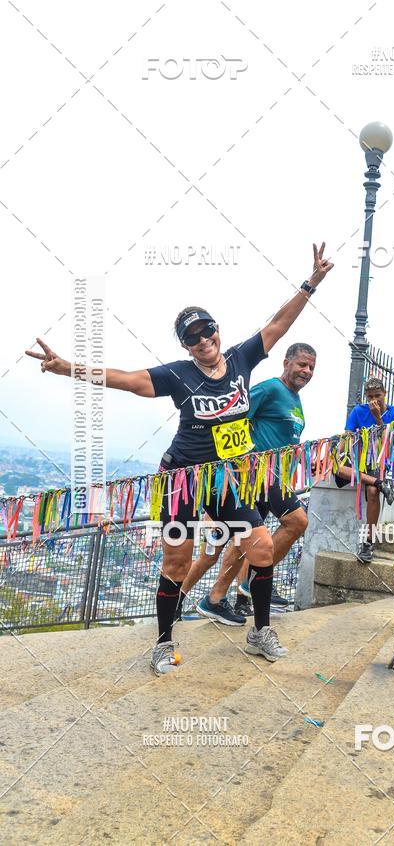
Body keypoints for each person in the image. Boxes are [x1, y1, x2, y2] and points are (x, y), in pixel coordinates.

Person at [26, 243, 333, 672]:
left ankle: (260, 631)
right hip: (181, 482)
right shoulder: (179, 374)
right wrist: (67, 368)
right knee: (177, 560)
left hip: (228, 476)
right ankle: (164, 642)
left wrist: (311, 282)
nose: (204, 340)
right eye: (194, 337)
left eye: (208, 331)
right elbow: (130, 380)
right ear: (186, 346)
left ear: (217, 331)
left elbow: (278, 325)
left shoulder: (241, 359)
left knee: (261, 550)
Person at [178, 342, 316, 620]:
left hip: (265, 482)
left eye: (312, 366)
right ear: (286, 362)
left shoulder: (294, 399)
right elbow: (233, 417)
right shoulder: (270, 389)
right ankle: (247, 580)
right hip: (248, 477)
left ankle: (214, 599)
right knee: (296, 521)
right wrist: (224, 474)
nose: (307, 370)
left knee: (236, 547)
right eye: (302, 364)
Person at [334, 377, 394, 564]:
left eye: (378, 396)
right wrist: (337, 453)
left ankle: (368, 542)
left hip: (379, 459)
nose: (374, 400)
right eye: (370, 396)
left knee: (372, 492)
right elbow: (347, 436)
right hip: (359, 459)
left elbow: (389, 444)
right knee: (338, 468)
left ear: (385, 394)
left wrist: (378, 418)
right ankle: (381, 484)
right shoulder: (358, 411)